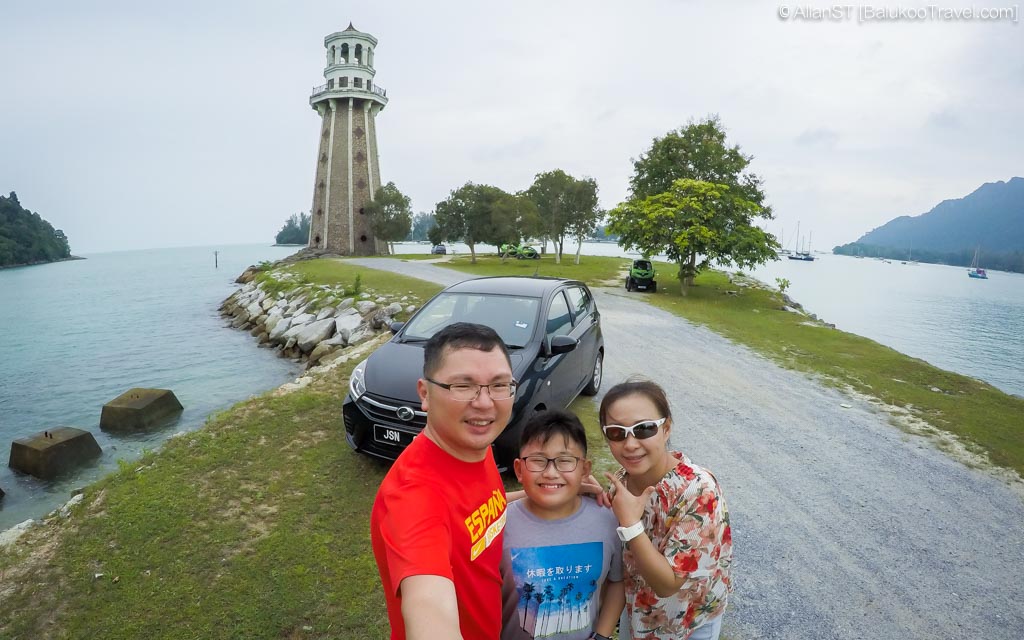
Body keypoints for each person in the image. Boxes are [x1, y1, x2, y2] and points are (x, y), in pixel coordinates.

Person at [370, 322, 515, 640]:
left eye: (499, 385)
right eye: (463, 386)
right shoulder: (414, 497)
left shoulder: (475, 446)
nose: (485, 403)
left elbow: (474, 507)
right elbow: (429, 608)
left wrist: (543, 495)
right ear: (425, 393)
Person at [599, 379, 733, 640]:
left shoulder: (699, 491)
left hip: (688, 621)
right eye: (616, 432)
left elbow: (667, 584)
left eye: (644, 429)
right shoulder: (621, 481)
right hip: (636, 611)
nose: (630, 444)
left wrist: (630, 525)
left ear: (666, 428)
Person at [500, 409, 624, 640]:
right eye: (537, 461)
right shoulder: (499, 525)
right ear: (518, 469)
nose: (550, 473)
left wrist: (602, 635)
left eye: (565, 461)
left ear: (585, 470)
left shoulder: (607, 520)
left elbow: (617, 581)